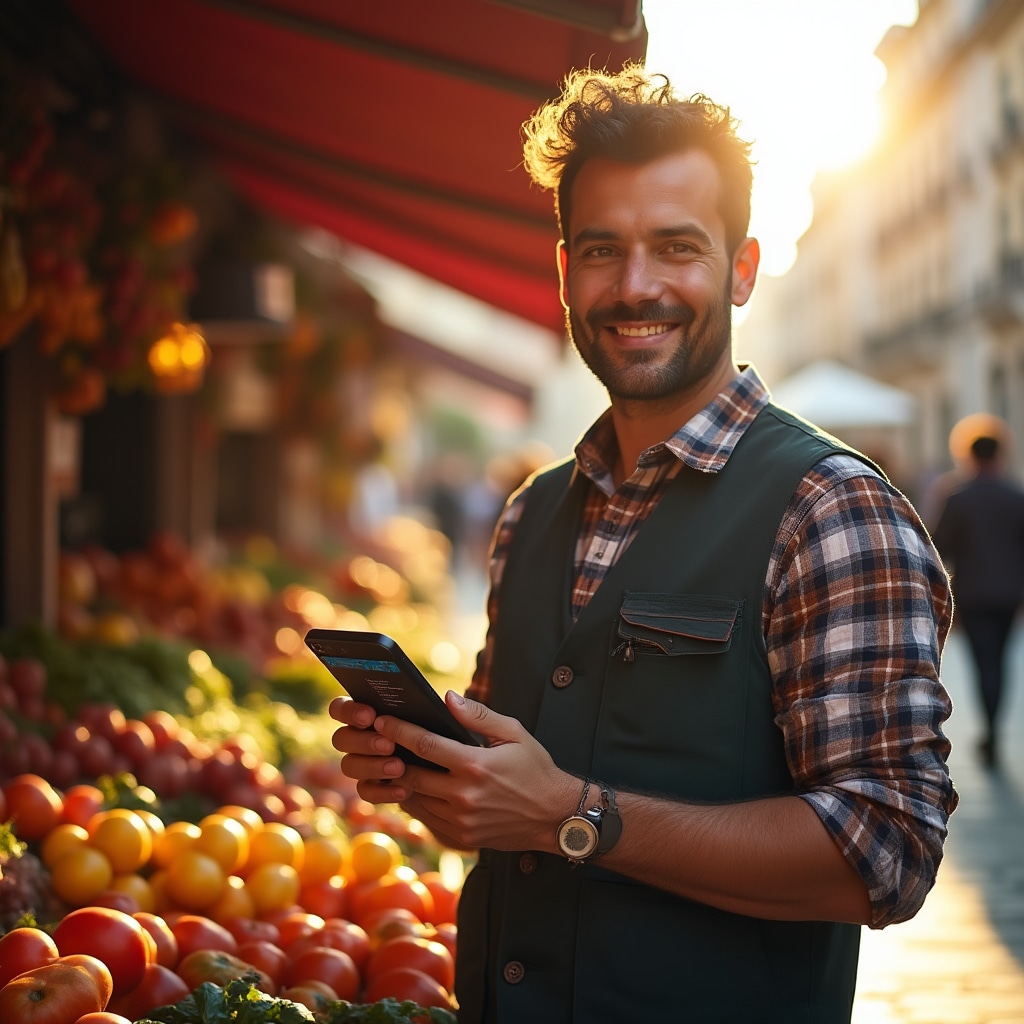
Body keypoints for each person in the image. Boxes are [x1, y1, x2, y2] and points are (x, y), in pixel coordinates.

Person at [331, 65, 957, 1023]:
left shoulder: (830, 510)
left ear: (742, 268)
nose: (634, 288)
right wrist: (439, 780)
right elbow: (518, 807)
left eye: (676, 248)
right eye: (601, 250)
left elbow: (886, 851)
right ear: (563, 270)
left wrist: (572, 816)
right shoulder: (531, 513)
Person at [932, 420, 1024, 767]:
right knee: (999, 663)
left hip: (972, 595)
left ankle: (990, 731)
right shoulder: (1017, 496)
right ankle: (994, 729)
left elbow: (938, 546)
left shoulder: (957, 498)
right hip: (1008, 594)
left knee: (983, 664)